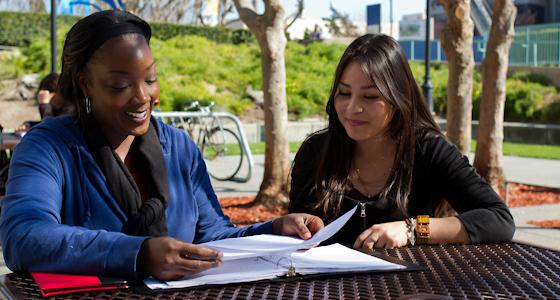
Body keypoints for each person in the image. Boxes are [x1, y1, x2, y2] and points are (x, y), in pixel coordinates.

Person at [0, 10, 324, 281]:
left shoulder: (180, 148)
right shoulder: (49, 147)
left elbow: (211, 237)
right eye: (120, 85)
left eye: (150, 79)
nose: (142, 97)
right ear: (85, 84)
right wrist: (138, 254)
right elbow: (23, 238)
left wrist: (275, 230)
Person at [289, 34, 515, 250]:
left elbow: (498, 219)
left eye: (370, 96)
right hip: (327, 289)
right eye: (344, 93)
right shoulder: (315, 152)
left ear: (398, 97)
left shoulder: (428, 149)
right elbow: (296, 237)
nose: (352, 108)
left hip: (410, 288)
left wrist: (413, 229)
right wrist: (293, 226)